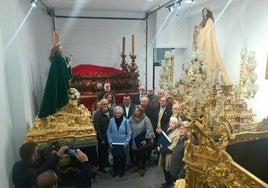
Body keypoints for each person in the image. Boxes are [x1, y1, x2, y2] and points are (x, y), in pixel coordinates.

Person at [193, 7, 231, 86]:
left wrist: (199, 30)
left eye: (205, 12)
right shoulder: (203, 21)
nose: (204, 13)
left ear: (208, 12)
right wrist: (197, 29)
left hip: (208, 43)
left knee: (209, 60)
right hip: (203, 42)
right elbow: (201, 28)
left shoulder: (210, 21)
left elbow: (206, 31)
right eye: (203, 12)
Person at [38, 42, 72, 118]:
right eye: (60, 47)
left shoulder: (58, 58)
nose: (61, 49)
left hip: (59, 80)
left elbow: (63, 69)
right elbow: (62, 72)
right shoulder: (59, 58)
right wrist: (67, 64)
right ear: (57, 49)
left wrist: (68, 63)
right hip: (60, 81)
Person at [129, 105, 155, 177]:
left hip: (142, 140)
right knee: (136, 154)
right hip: (134, 140)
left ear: (141, 111)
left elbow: (149, 130)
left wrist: (146, 140)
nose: (136, 112)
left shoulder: (146, 119)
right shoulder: (131, 119)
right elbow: (128, 127)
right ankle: (137, 166)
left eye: (138, 111)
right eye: (135, 111)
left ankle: (142, 168)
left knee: (142, 155)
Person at [107, 106, 132, 177]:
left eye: (119, 113)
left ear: (121, 113)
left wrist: (126, 142)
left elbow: (129, 133)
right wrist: (110, 141)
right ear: (114, 113)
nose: (117, 114)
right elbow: (108, 131)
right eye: (116, 113)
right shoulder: (111, 120)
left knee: (122, 158)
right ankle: (116, 170)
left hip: (123, 143)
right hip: (114, 143)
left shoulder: (126, 121)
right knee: (115, 158)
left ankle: (121, 171)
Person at [157, 117, 181, 188]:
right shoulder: (169, 129)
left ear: (176, 125)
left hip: (170, 155)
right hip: (164, 152)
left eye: (173, 123)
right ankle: (167, 182)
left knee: (169, 170)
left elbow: (172, 147)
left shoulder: (177, 133)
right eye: (170, 122)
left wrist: (161, 149)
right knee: (165, 169)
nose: (170, 124)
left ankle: (170, 184)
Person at [93, 98, 113, 172]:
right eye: (103, 104)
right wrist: (101, 138)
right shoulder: (97, 114)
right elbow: (97, 128)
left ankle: (107, 163)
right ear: (100, 105)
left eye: (106, 104)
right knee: (102, 152)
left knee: (108, 151)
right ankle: (102, 166)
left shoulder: (111, 112)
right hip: (103, 136)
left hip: (110, 135)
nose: (105, 105)